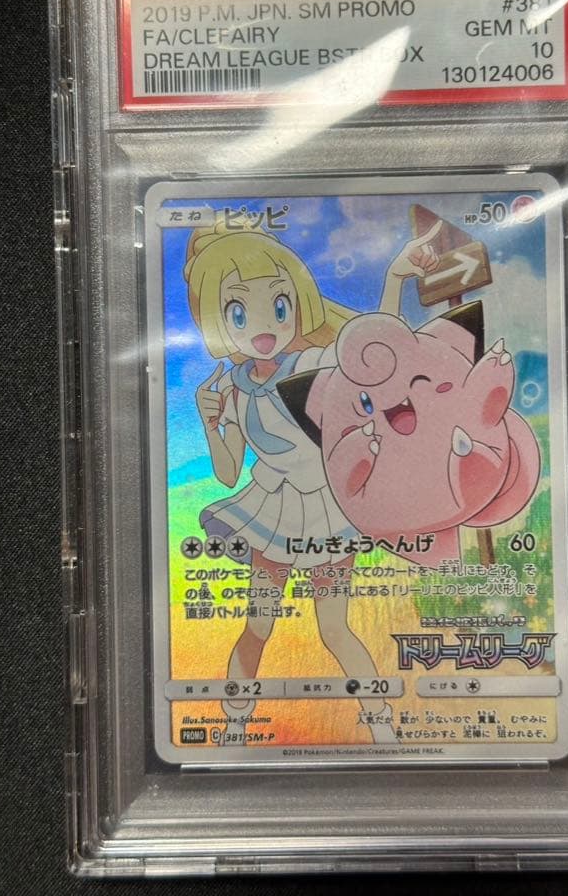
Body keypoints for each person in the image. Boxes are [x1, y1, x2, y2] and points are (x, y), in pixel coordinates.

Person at [184, 213, 440, 744]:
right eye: (238, 311)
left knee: (334, 629)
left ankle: (382, 729)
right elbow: (228, 473)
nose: (263, 326)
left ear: (297, 302)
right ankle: (234, 728)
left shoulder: (315, 364)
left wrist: (393, 279)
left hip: (326, 515)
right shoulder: (231, 388)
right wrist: (211, 424)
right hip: (273, 515)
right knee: (258, 625)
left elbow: (377, 355)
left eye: (278, 306)